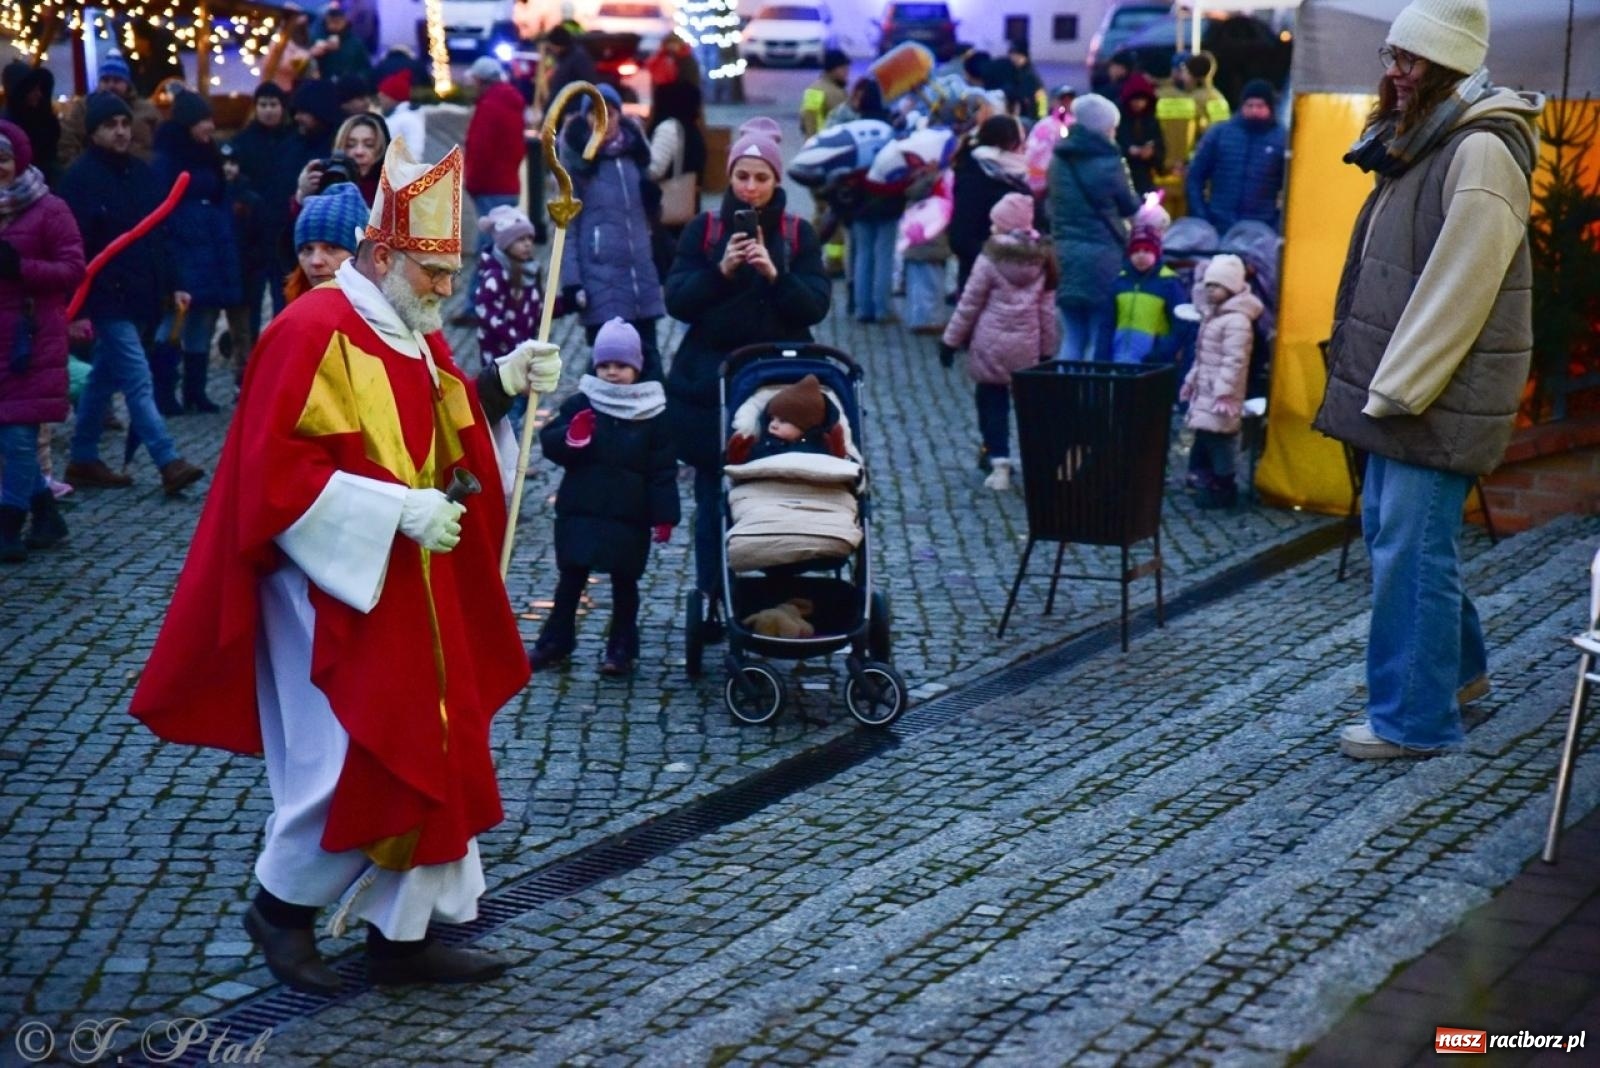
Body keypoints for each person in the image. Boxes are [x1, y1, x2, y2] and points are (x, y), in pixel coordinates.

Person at [128, 136, 564, 990]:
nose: (447, 290)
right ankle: (280, 909)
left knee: (438, 744)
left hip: (413, 580)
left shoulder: (411, 329)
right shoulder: (311, 330)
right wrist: (396, 510)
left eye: (451, 271)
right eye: (433, 271)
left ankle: (404, 938)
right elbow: (276, 479)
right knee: (350, 755)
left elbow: (448, 439)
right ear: (383, 253)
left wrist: (506, 384)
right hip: (330, 588)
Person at [1313, 0, 1542, 759]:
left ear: (1446, 68)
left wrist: (1397, 391)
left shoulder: (1478, 151)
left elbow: (1459, 288)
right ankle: (1456, 673)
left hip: (1429, 394)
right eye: (1392, 55)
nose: (1394, 72)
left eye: (1410, 61)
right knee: (1404, 541)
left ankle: (1414, 720)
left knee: (1412, 553)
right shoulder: (1432, 141)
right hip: (1412, 389)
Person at [665, 117, 831, 613]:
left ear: (777, 182)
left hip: (776, 383)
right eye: (743, 177)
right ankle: (715, 594)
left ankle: (784, 596)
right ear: (731, 179)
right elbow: (678, 300)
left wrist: (776, 276)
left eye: (762, 178)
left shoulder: (799, 234)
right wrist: (722, 271)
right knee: (715, 497)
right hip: (710, 385)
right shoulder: (705, 228)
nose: (752, 188)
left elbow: (815, 308)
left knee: (782, 490)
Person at [58, 93, 204, 496]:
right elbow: (74, 249)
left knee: (103, 378)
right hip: (105, 297)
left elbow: (160, 232)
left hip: (139, 294)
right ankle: (167, 460)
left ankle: (83, 457)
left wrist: (174, 282)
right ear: (93, 133)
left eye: (124, 123)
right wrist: (80, 308)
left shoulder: (141, 174)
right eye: (110, 125)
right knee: (138, 379)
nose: (120, 131)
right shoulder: (79, 181)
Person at [528, 319, 678, 675]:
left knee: (625, 583)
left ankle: (622, 647)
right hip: (582, 507)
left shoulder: (652, 411)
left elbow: (662, 468)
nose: (612, 373)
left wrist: (664, 515)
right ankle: (555, 640)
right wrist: (573, 438)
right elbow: (553, 442)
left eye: (622, 366)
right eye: (606, 365)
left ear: (636, 368)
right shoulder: (583, 401)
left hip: (630, 513)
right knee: (571, 579)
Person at [0, 121, 84, 561]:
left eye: (3, 159)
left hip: (30, 344)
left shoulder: (49, 209)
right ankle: (47, 515)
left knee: (17, 436)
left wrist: (22, 268)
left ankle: (9, 523)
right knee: (6, 437)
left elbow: (73, 269)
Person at [939, 193, 1059, 491]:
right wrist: (1046, 352)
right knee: (1030, 407)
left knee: (992, 403)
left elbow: (969, 304)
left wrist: (950, 341)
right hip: (1027, 347)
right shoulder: (1042, 258)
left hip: (990, 344)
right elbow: (1046, 311)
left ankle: (999, 462)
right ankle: (1037, 461)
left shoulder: (991, 257)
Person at [559, 85, 666, 380]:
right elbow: (568, 227)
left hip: (639, 281)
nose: (604, 120)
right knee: (607, 366)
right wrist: (572, 282)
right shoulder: (577, 165)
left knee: (648, 361)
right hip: (600, 280)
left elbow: (647, 222)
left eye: (610, 111)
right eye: (596, 113)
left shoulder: (634, 156)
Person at [152, 91, 241, 414]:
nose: (210, 127)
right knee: (175, 319)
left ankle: (195, 390)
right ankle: (163, 390)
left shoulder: (208, 154)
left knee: (203, 319)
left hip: (209, 246)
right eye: (204, 120)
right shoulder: (167, 159)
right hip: (182, 247)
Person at [1049, 93, 1140, 362]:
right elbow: (1129, 206)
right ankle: (1090, 397)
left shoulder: (1059, 159)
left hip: (1063, 252)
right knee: (1099, 332)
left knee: (1072, 334)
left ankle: (1066, 393)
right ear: (1103, 128)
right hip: (1103, 255)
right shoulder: (1110, 163)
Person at [1180, 254, 1260, 507]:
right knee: (1204, 435)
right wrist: (1191, 380)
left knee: (1221, 438)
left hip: (1221, 396)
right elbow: (1202, 357)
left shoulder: (1236, 321)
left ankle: (1224, 483)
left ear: (1232, 287)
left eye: (1216, 285)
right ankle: (1204, 481)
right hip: (1206, 391)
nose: (1210, 291)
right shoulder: (1213, 317)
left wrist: (1225, 392)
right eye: (1208, 285)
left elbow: (1235, 361)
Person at [229, 83, 297, 322]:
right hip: (252, 236)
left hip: (283, 232)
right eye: (263, 105)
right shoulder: (243, 141)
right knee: (252, 300)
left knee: (284, 296)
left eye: (273, 105)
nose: (268, 110)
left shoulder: (293, 140)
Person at [1185, 80, 1287, 234]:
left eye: (1260, 106)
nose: (1254, 111)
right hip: (1219, 224)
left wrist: (1276, 225)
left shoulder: (1282, 139)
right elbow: (1195, 177)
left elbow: (1293, 186)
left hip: (1260, 229)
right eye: (1249, 105)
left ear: (1270, 108)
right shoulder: (1219, 134)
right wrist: (1203, 216)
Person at [464, 56, 526, 296]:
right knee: (503, 246)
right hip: (509, 184)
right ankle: (507, 296)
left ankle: (477, 302)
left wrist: (473, 183)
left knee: (488, 247)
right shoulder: (511, 104)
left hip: (489, 187)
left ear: (481, 81)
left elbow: (480, 150)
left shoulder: (489, 107)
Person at [950, 115, 1031, 294]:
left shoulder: (1014, 173)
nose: (1026, 146)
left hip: (1017, 274)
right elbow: (962, 235)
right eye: (1021, 139)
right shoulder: (975, 174)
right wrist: (994, 261)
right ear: (1010, 142)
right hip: (983, 276)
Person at [59, 51, 163, 165]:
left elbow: (161, 145)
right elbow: (67, 142)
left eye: (117, 80)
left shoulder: (147, 109)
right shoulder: (83, 108)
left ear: (127, 83)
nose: (111, 85)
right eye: (105, 80)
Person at [219, 141, 268, 379]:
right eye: (223, 163)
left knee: (244, 329)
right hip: (222, 272)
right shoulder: (214, 196)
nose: (228, 168)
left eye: (232, 163)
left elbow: (259, 237)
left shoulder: (249, 199)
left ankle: (245, 374)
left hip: (246, 272)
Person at [474, 205, 543, 370]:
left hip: (524, 356)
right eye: (520, 239)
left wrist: (568, 302)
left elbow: (537, 306)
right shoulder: (495, 277)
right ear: (505, 244)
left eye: (529, 239)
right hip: (502, 359)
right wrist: (517, 342)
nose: (527, 244)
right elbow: (489, 316)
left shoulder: (527, 270)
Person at [726, 374, 848, 463]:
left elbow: (836, 468)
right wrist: (738, 454)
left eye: (782, 421)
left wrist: (838, 451)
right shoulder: (764, 445)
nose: (773, 424)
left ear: (804, 426)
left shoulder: (821, 447)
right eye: (772, 419)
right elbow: (745, 467)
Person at [1111, 221, 1184, 365]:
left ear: (1156, 253)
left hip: (1153, 363)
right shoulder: (1120, 281)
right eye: (1136, 251)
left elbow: (1180, 325)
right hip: (1119, 358)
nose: (1141, 256)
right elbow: (1107, 323)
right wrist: (1101, 357)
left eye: (1147, 251)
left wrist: (1163, 352)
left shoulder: (1169, 282)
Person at [283, 182, 367, 302]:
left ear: (360, 253)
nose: (316, 261)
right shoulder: (292, 309)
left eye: (332, 248)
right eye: (307, 249)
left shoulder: (381, 315)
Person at [296, 112, 389, 211]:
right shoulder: (326, 182)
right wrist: (303, 194)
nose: (359, 152)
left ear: (381, 149)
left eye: (369, 145)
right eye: (350, 145)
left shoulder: (392, 189)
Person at [1, 63, 60, 187]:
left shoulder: (44, 119)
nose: (39, 94)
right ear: (21, 92)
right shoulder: (7, 126)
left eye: (39, 89)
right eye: (33, 90)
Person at [1117, 73, 1166, 196]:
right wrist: (1128, 150)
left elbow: (1160, 144)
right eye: (1135, 100)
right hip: (1121, 176)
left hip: (1145, 176)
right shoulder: (1119, 119)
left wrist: (1152, 152)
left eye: (1142, 100)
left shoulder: (1150, 120)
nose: (1138, 104)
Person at [310, 0, 372, 82]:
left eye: (337, 22)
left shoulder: (355, 43)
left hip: (347, 86)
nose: (334, 26)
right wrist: (313, 54)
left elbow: (366, 68)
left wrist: (356, 79)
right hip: (324, 85)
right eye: (331, 22)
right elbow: (306, 66)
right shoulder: (317, 39)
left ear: (345, 22)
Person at [801, 50, 851, 138]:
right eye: (843, 68)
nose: (847, 72)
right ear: (832, 69)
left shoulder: (814, 89)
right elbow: (809, 118)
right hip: (827, 142)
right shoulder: (824, 91)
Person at [376, 68, 426, 156]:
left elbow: (415, 151)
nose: (381, 101)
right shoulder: (395, 116)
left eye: (383, 97)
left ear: (393, 98)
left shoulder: (409, 119)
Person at [1001, 38, 1046, 120]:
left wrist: (1041, 117)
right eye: (1012, 55)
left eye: (1018, 56)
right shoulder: (1013, 72)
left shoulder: (1030, 75)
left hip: (1029, 117)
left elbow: (1041, 97)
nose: (1014, 58)